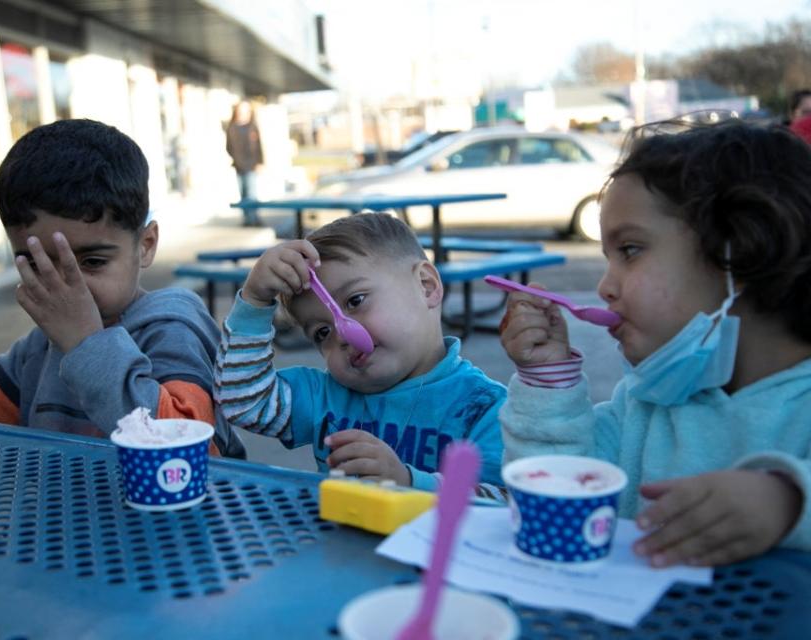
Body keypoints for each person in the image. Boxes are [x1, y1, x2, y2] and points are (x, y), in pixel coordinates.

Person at [499, 120, 811, 566]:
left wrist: (787, 499)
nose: (605, 286)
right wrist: (548, 378)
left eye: (629, 250)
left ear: (739, 250)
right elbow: (557, 496)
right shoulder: (645, 403)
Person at [0, 119, 243, 457]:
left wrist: (86, 344)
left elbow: (192, 449)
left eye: (91, 262)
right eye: (39, 264)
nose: (68, 287)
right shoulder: (40, 349)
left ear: (145, 245)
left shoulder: (172, 324)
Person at [214, 213, 508, 492]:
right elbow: (244, 401)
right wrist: (254, 302)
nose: (342, 333)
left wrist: (410, 483)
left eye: (356, 301)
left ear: (426, 286)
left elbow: (505, 504)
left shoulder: (486, 408)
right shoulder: (325, 398)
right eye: (322, 333)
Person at [225, 100, 264, 227]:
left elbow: (259, 147)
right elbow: (229, 147)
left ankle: (255, 218)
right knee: (243, 193)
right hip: (239, 166)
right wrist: (236, 159)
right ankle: (247, 219)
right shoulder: (232, 128)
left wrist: (260, 162)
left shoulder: (253, 126)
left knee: (252, 193)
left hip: (251, 165)